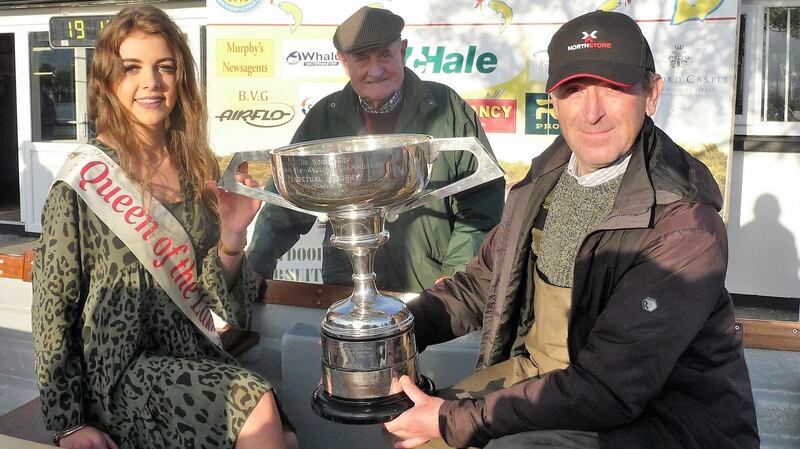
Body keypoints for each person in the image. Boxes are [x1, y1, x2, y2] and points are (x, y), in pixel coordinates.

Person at [384, 10, 759, 449]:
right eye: (574, 90)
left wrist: (451, 419)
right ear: (554, 102)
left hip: (664, 417)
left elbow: (609, 389)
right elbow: (480, 286)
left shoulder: (686, 227)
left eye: (614, 88)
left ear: (651, 94)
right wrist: (393, 332)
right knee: (410, 432)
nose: (593, 112)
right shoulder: (542, 183)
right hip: (546, 375)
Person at [32, 6, 295, 449]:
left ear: (181, 79)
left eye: (165, 67)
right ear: (107, 81)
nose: (151, 82)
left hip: (194, 353)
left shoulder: (198, 169)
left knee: (283, 437)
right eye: (132, 68)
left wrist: (232, 237)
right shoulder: (82, 181)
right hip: (118, 375)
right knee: (255, 404)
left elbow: (216, 301)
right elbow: (52, 310)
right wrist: (68, 423)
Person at [248, 6, 505, 294]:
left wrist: (456, 275)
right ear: (344, 62)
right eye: (362, 59)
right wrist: (255, 266)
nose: (376, 70)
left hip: (432, 291)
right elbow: (285, 206)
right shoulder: (325, 118)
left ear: (403, 50)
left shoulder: (447, 107)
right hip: (346, 287)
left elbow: (483, 202)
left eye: (385, 55)